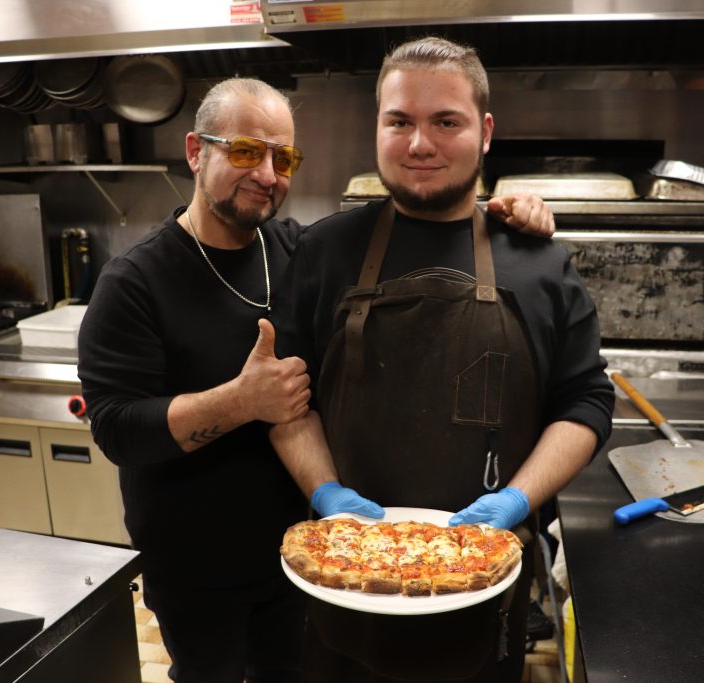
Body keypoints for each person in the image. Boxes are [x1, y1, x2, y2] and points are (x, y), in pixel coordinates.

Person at [77, 77, 557, 683]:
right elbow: (117, 429)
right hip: (197, 565)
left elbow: (414, 229)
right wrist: (241, 401)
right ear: (197, 151)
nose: (267, 174)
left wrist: (496, 211)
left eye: (285, 158)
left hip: (305, 552)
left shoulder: (292, 247)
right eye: (247, 151)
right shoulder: (135, 282)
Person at [269, 37, 615, 683]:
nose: (419, 144)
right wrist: (324, 493)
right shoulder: (324, 251)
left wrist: (517, 499)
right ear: (377, 127)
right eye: (399, 120)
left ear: (484, 131)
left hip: (482, 601)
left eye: (445, 121)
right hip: (341, 582)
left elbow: (587, 402)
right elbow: (286, 399)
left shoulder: (538, 260)